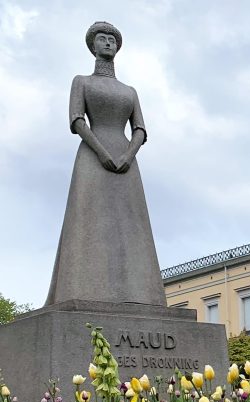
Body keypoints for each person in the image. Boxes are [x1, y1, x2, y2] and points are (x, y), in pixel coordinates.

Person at [46, 21, 166, 307]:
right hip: (92, 155)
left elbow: (140, 128)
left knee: (131, 224)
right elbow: (77, 121)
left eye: (112, 39)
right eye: (102, 38)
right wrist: (100, 152)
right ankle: (82, 287)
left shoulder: (130, 91)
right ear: (93, 45)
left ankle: (139, 294)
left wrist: (128, 154)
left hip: (126, 159)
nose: (108, 43)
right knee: (87, 219)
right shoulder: (82, 82)